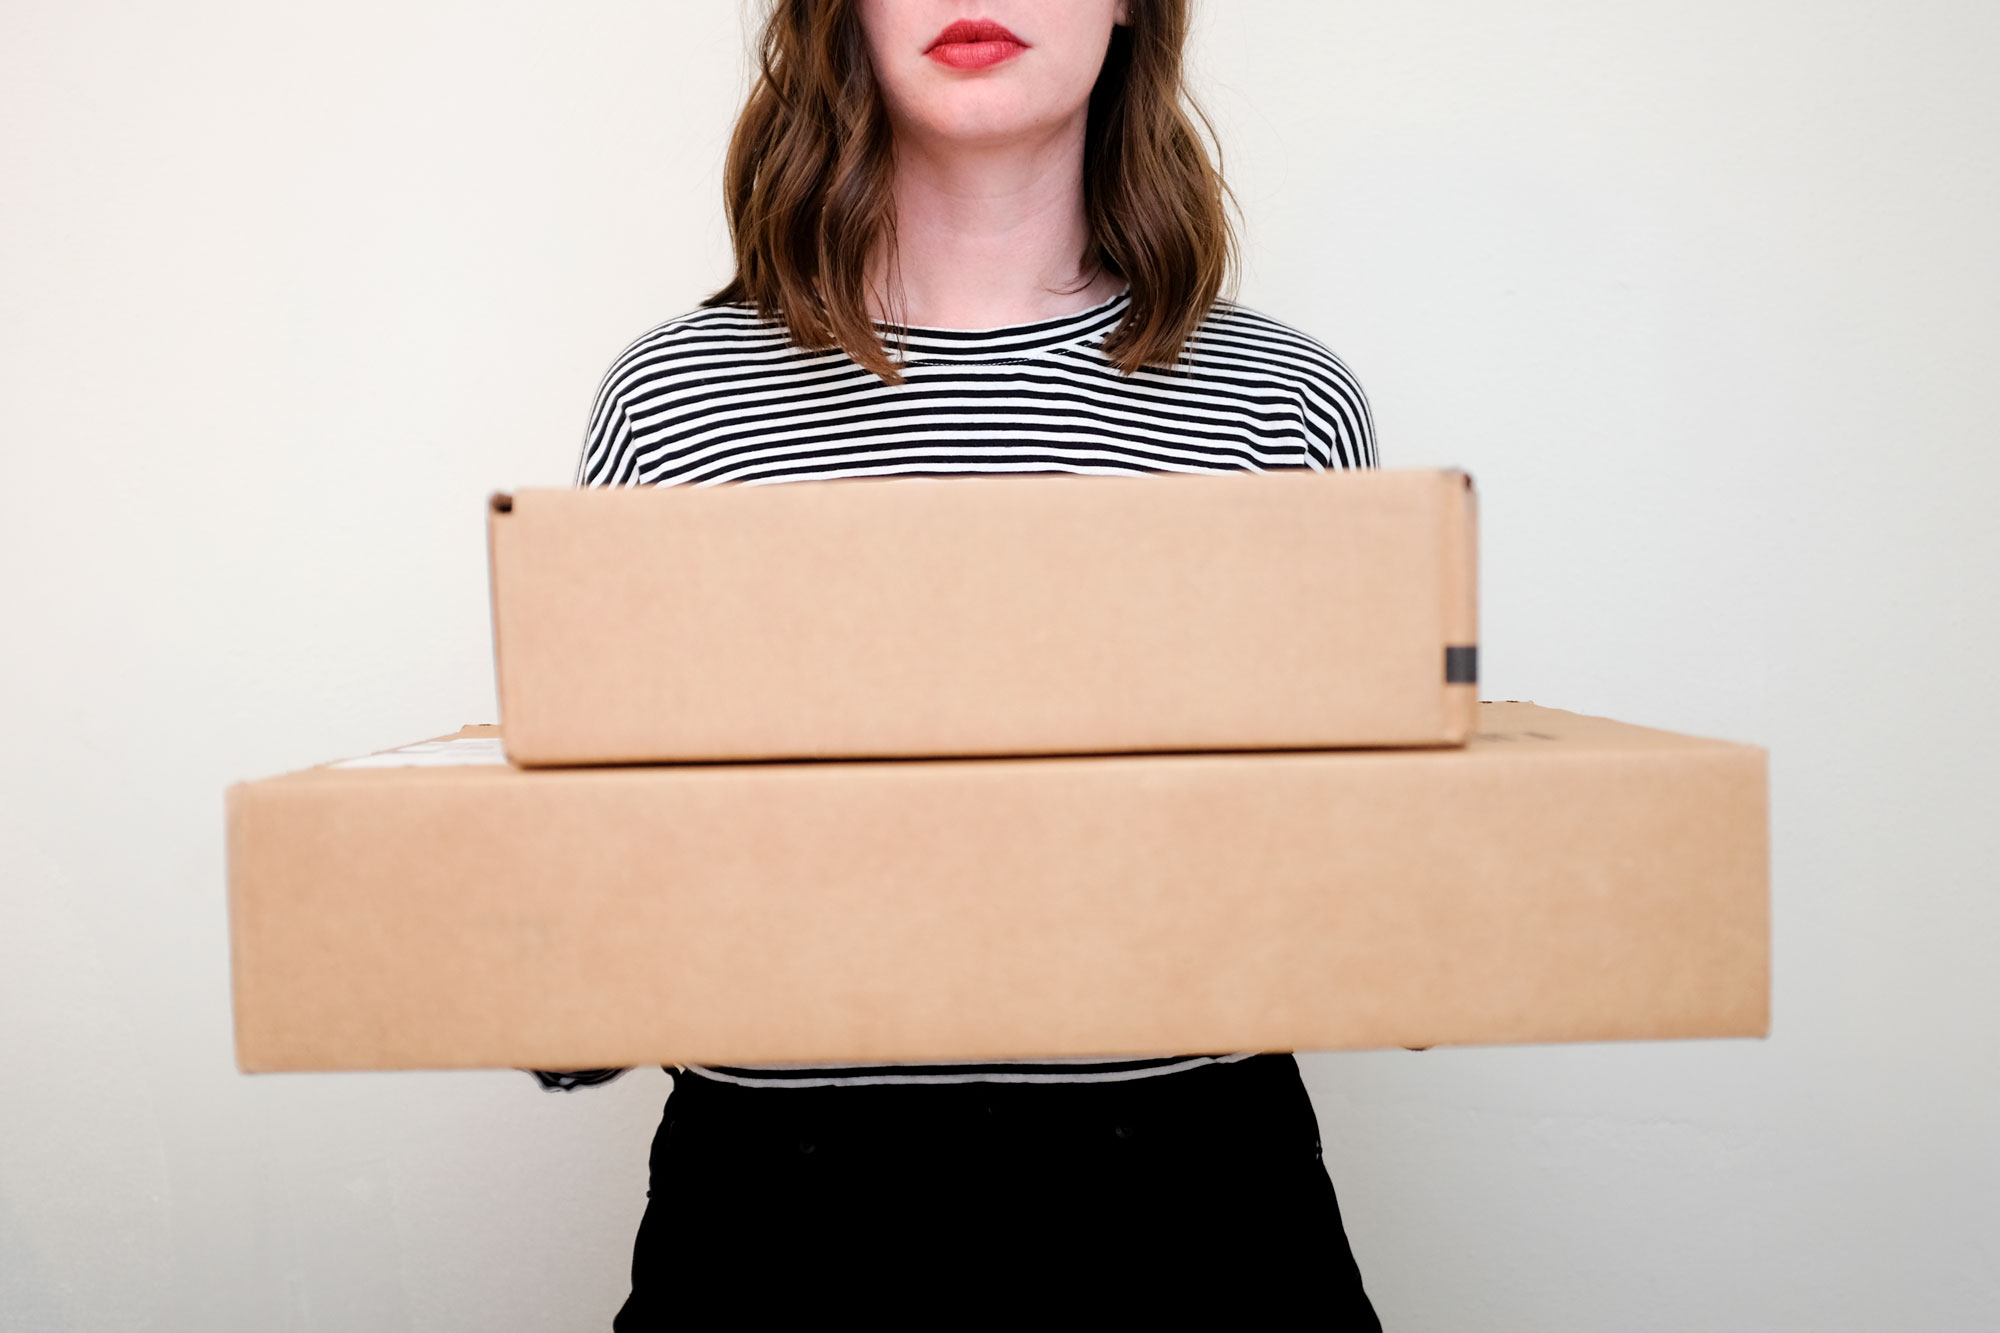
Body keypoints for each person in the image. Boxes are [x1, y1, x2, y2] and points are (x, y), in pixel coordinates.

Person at [547, 1, 1381, 1323]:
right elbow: (579, 936)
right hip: (782, 1216)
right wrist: (545, 953)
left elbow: (1361, 891)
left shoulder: (1279, 404)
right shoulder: (674, 405)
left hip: (1197, 1203)